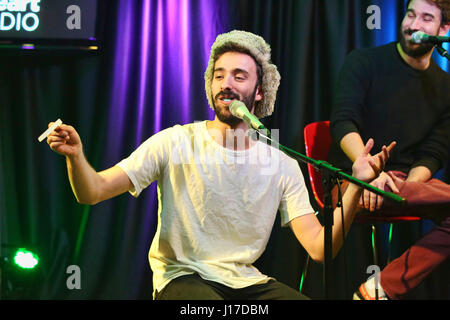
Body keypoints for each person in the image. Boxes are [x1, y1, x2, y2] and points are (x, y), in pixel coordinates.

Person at [47, 30, 393, 300]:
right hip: (182, 278)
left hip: (246, 285)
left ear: (260, 91)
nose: (226, 83)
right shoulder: (176, 142)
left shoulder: (280, 163)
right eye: (219, 75)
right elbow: (92, 192)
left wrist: (355, 186)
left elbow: (320, 248)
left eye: (239, 76)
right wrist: (77, 157)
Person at [328, 0, 450, 300]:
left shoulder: (445, 87)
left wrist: (406, 185)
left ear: (443, 30)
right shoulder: (364, 61)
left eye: (425, 18)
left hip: (404, 186)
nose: (413, 25)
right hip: (350, 181)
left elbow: (433, 153)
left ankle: (379, 290)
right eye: (410, 15)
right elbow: (343, 120)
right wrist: (368, 171)